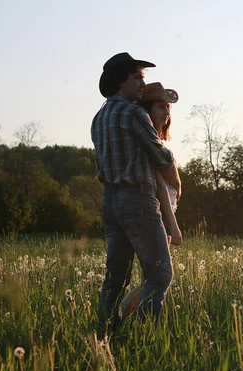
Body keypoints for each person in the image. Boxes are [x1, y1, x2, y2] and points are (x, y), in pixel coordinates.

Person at [91, 52, 181, 331]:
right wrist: (175, 174)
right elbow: (160, 157)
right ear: (121, 80)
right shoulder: (133, 113)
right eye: (137, 77)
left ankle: (106, 332)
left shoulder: (99, 117)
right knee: (160, 273)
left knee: (116, 276)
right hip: (138, 199)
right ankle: (144, 334)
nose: (143, 84)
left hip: (111, 200)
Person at [119, 82, 183, 320]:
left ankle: (125, 320)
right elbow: (160, 191)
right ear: (148, 109)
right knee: (156, 277)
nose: (166, 113)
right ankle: (129, 319)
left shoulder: (156, 140)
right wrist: (173, 224)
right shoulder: (148, 144)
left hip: (163, 213)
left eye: (168, 108)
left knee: (151, 277)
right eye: (160, 107)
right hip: (158, 213)